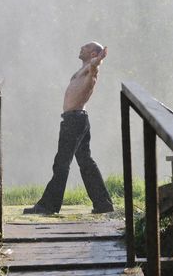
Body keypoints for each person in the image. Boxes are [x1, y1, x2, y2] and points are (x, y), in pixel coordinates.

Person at [23, 41, 114, 214]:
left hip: (75, 120)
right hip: (77, 119)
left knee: (62, 162)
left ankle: (48, 205)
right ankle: (103, 204)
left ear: (94, 54)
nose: (81, 47)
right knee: (85, 161)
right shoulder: (83, 69)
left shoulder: (91, 68)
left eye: (86, 47)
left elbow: (95, 66)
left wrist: (100, 59)